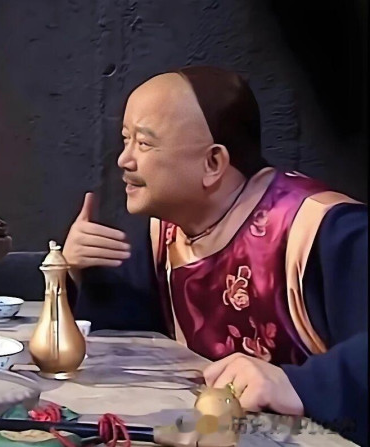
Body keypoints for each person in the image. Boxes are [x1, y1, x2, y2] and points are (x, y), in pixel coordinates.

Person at [64, 66, 367, 445]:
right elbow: (130, 330)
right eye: (126, 140)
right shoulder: (168, 232)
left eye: (143, 143)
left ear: (213, 163)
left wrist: (301, 385)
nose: (124, 160)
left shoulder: (323, 230)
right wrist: (75, 272)